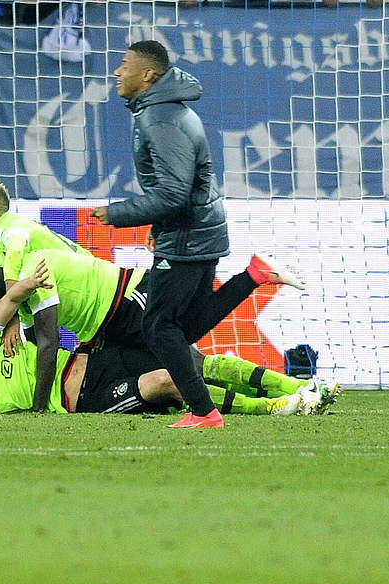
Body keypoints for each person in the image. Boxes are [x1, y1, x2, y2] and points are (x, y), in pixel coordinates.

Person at [90, 41, 300, 429]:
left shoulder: (161, 120)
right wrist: (158, 224)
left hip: (189, 234)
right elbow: (175, 186)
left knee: (158, 328)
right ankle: (254, 276)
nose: (117, 73)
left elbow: (173, 192)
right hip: (195, 228)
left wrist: (119, 213)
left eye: (124, 65)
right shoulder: (163, 112)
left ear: (148, 75)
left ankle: (204, 411)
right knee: (177, 328)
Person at [0, 244, 314, 415]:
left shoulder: (29, 262)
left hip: (125, 301)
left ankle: (289, 390)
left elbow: (49, 343)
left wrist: (40, 408)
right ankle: (287, 395)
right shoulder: (18, 286)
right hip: (107, 330)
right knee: (182, 363)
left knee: (186, 350)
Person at [0, 313, 332, 416]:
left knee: (195, 360)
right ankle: (271, 408)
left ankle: (293, 388)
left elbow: (6, 297)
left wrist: (13, 316)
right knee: (166, 381)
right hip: (88, 397)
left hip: (95, 361)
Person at [0, 176, 94, 352]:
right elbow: (20, 290)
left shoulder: (13, 228)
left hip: (96, 292)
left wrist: (11, 309)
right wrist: (13, 319)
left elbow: (14, 263)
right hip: (82, 316)